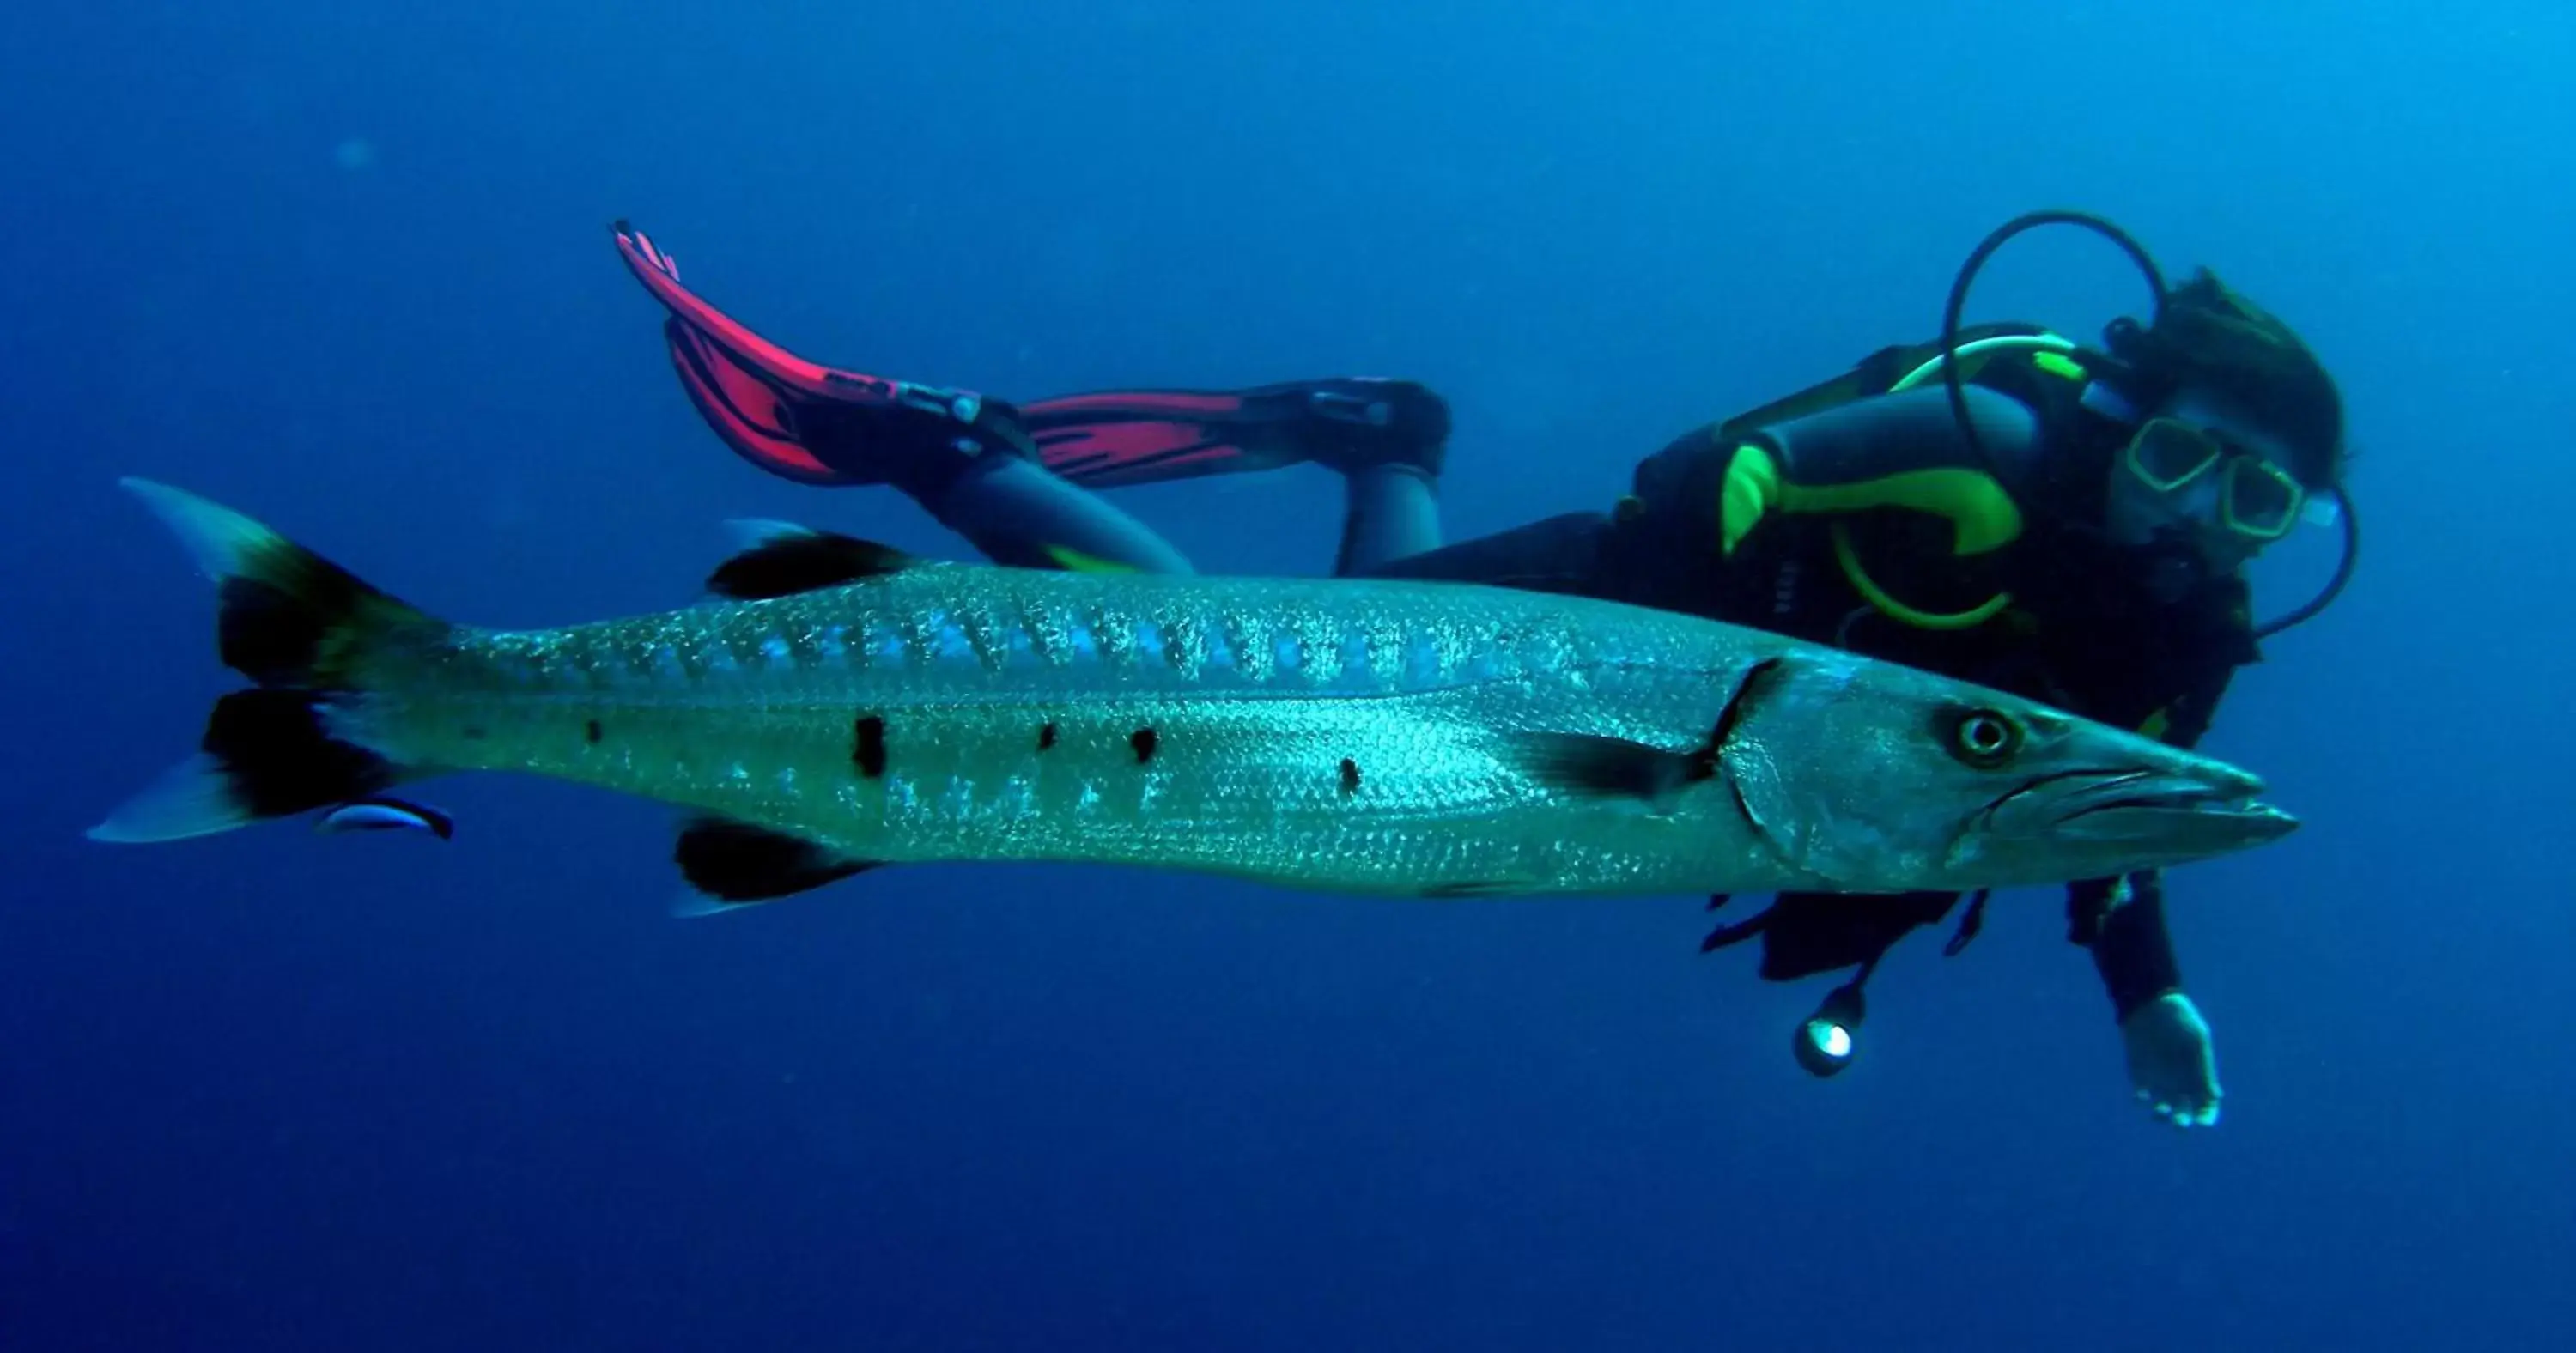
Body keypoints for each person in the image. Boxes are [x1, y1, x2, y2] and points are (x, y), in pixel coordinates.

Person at [609, 213, 2356, 1128]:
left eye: (2262, 496)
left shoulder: (2180, 633)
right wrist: (1698, 651)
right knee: (1218, 650)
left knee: (1278, 653)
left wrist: (2151, 992)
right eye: (2194, 458)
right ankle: (946, 445)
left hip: (1724, 765)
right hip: (1605, 634)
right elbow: (1716, 477)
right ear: (2134, 418)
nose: (2209, 513)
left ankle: (1390, 439)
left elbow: (2114, 807)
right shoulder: (1977, 452)